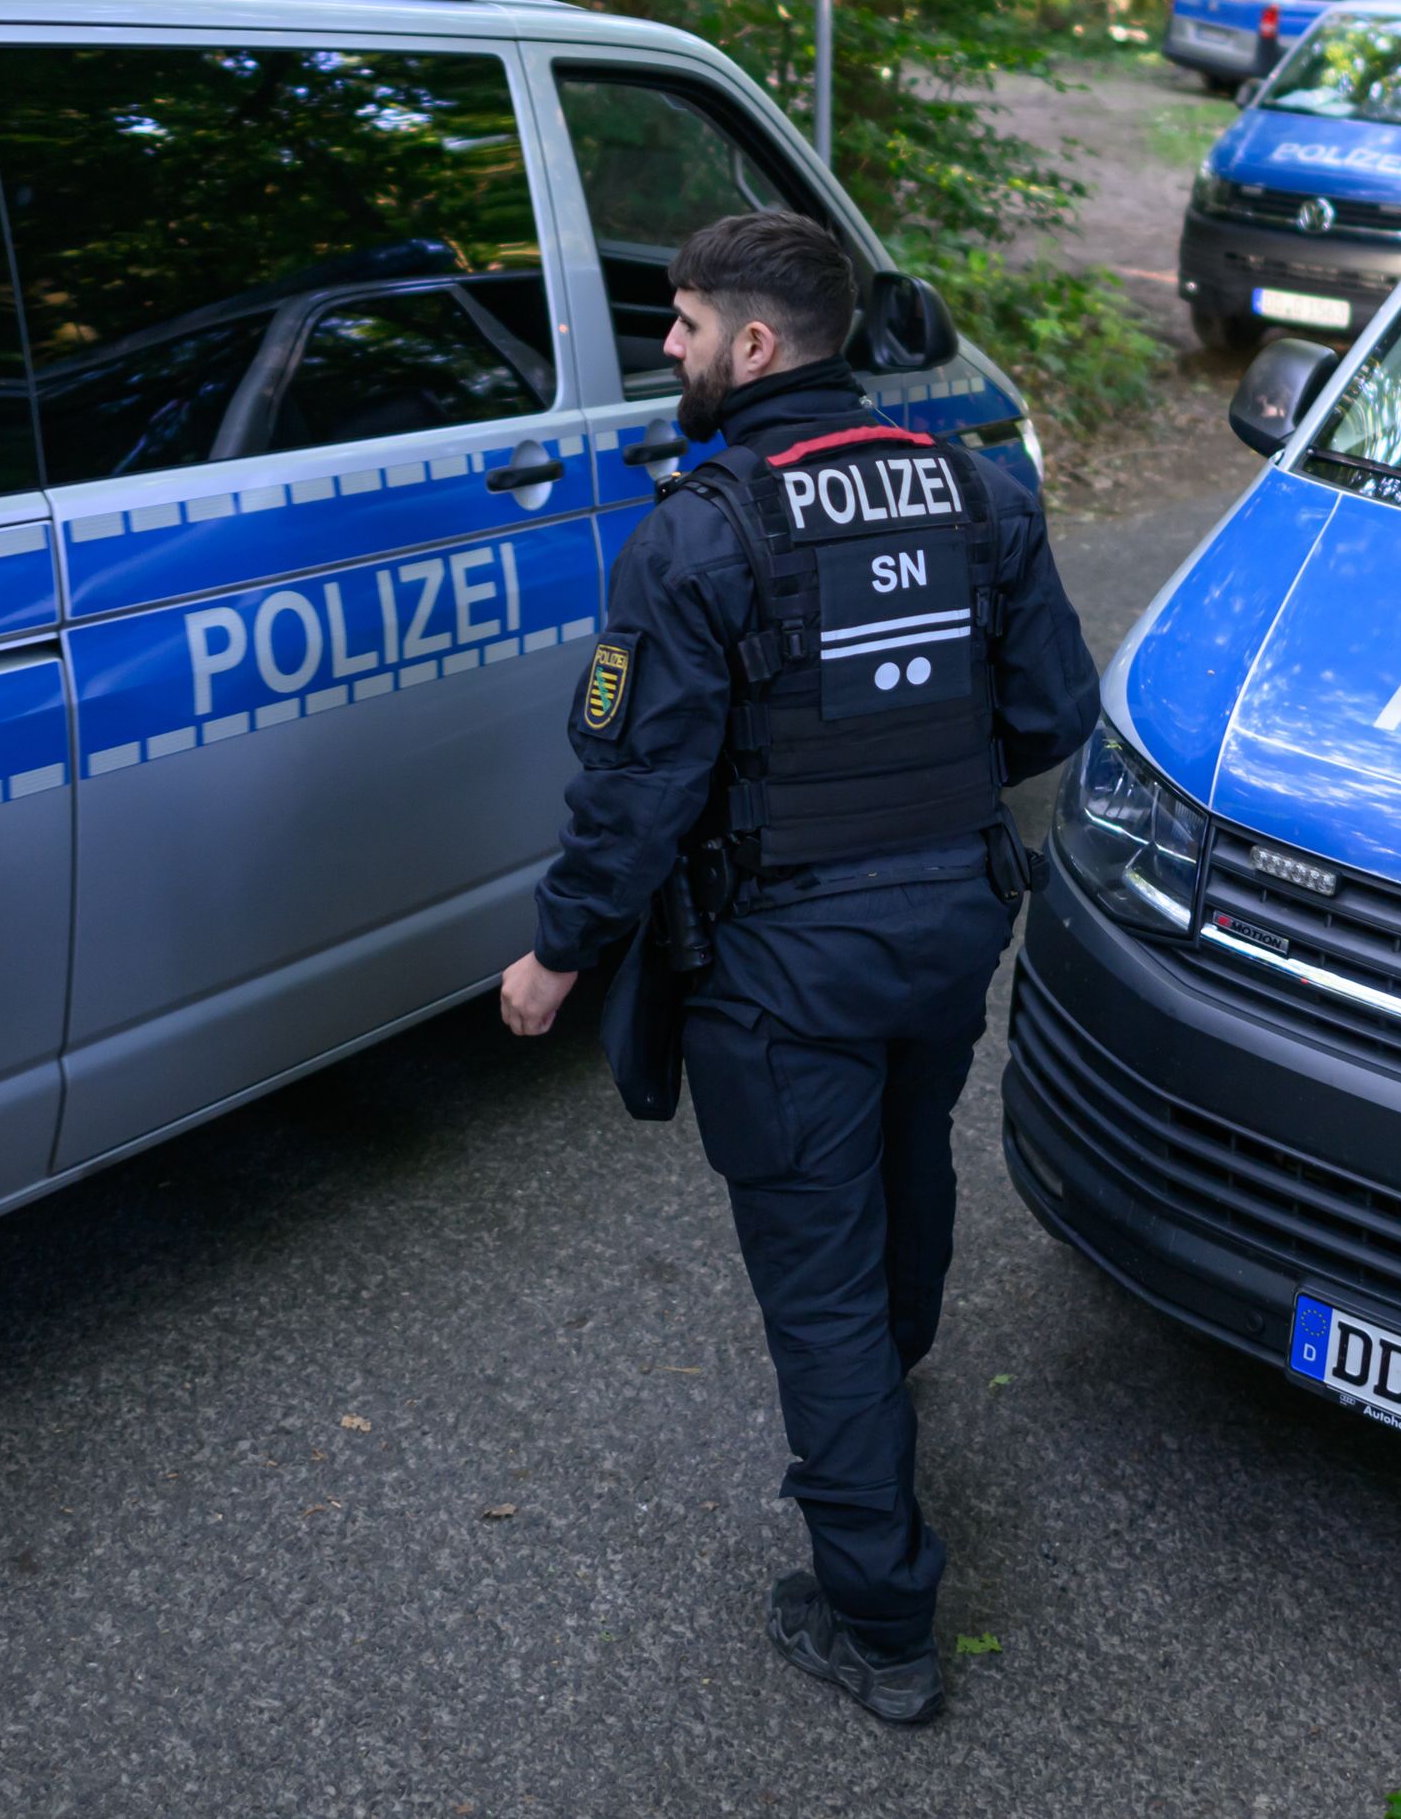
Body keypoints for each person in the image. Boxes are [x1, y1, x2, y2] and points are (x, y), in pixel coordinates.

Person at [499, 210, 1097, 1727]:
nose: (670, 349)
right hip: (952, 925)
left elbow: (635, 793)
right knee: (911, 1160)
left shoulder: (701, 530)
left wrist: (557, 957)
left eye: (687, 325)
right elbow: (1049, 714)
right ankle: (892, 1385)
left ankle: (881, 1620)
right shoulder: (971, 492)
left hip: (783, 970)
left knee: (815, 1277)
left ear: (756, 345)